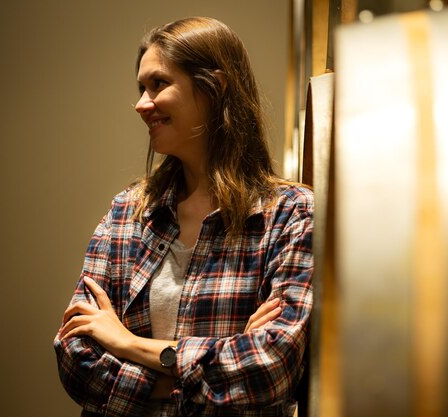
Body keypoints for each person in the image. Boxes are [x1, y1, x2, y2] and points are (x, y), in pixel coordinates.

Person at [54, 17, 313, 417]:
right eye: (142, 87)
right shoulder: (127, 212)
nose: (141, 103)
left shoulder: (290, 214)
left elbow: (272, 366)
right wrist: (216, 362)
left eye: (159, 84)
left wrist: (127, 344)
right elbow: (76, 356)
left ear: (216, 88)